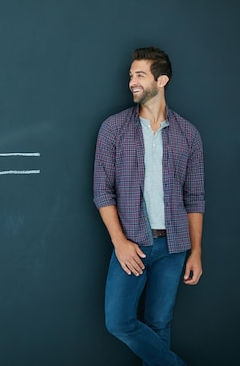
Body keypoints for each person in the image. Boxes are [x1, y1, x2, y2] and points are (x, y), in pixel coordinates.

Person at [93, 47, 205, 366]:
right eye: (131, 76)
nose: (132, 82)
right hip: (132, 244)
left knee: (159, 325)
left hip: (174, 247)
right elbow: (102, 191)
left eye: (140, 75)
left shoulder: (189, 136)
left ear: (162, 79)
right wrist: (120, 242)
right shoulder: (113, 129)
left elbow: (195, 198)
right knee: (118, 321)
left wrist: (195, 252)